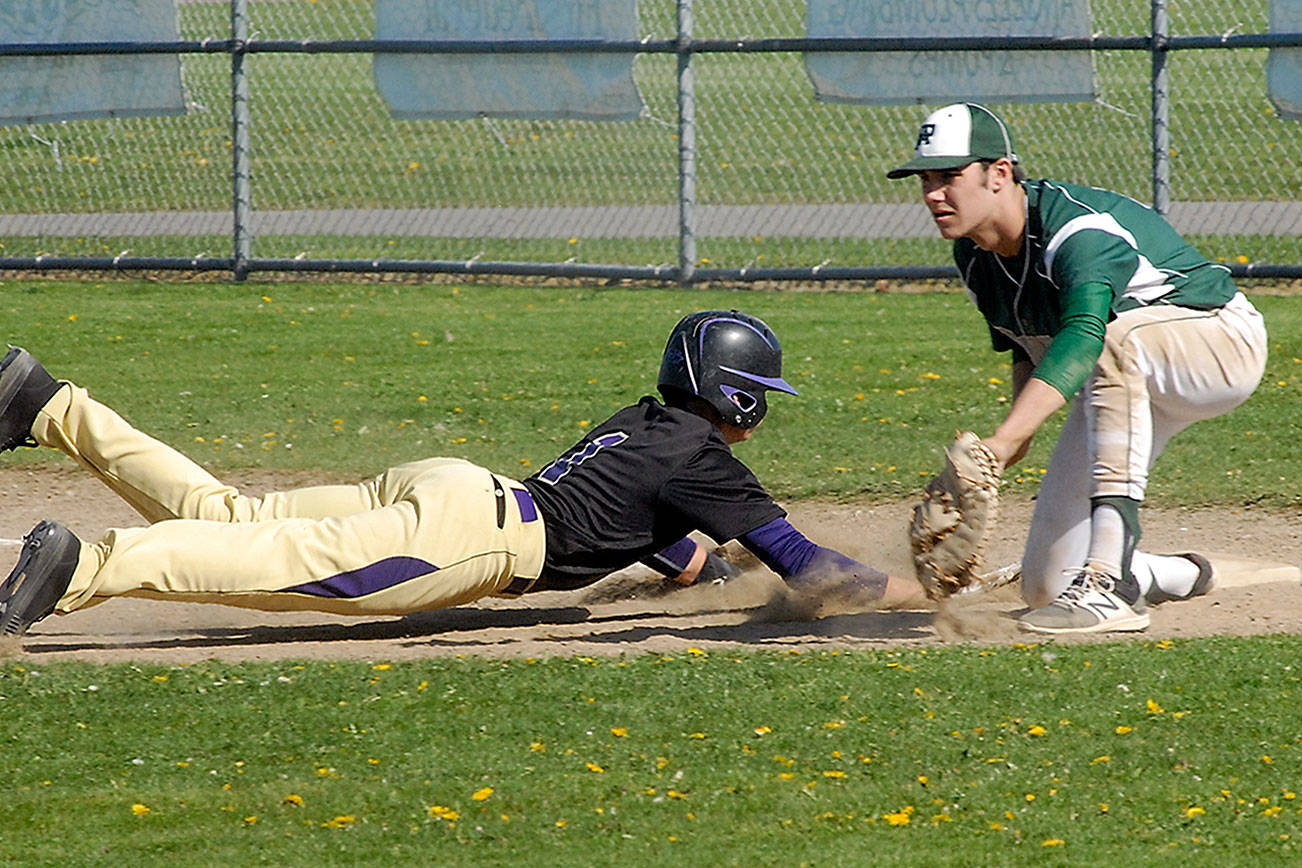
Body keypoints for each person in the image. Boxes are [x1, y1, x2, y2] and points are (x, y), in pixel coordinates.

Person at [0, 310, 922, 639]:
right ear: (737, 395)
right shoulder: (706, 464)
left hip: (453, 487)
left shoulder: (648, 424)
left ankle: (49, 405)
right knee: (275, 565)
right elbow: (809, 566)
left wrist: (701, 569)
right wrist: (925, 589)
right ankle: (83, 568)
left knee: (237, 513)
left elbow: (639, 522)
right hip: (469, 539)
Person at [886, 103, 1268, 634]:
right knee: (1046, 585)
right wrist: (1007, 448)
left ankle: (1110, 586)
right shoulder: (976, 257)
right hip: (1123, 381)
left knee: (1113, 338)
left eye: (949, 175)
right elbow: (1028, 349)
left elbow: (1086, 332)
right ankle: (1175, 574)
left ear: (999, 173)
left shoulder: (1076, 230)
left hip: (1217, 342)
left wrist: (1000, 444)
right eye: (925, 179)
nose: (932, 193)